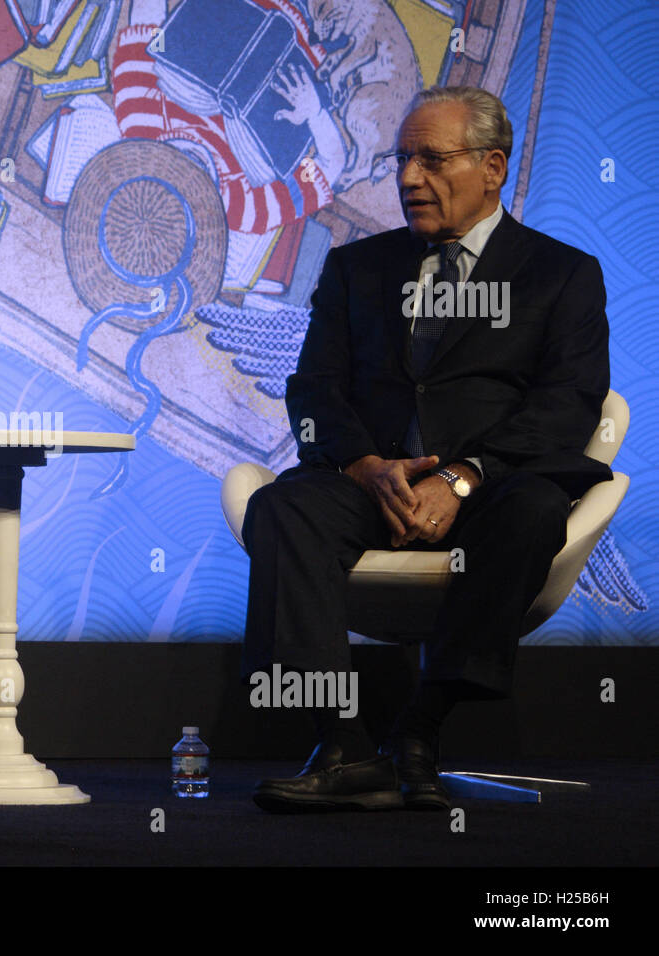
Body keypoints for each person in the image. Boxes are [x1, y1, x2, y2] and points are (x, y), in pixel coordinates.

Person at [241, 86, 611, 812]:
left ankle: (419, 730)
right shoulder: (358, 268)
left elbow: (567, 404)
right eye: (403, 159)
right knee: (282, 508)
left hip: (489, 493)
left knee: (536, 510)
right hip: (370, 485)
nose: (409, 178)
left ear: (493, 167)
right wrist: (363, 466)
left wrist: (464, 478)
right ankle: (341, 741)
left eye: (432, 160)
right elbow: (314, 388)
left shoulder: (561, 274)